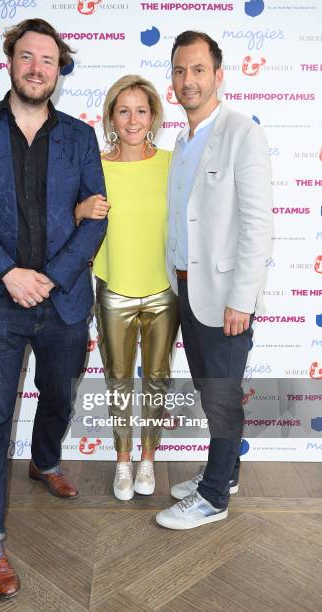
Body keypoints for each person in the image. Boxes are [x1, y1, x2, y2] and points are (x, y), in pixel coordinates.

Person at [0, 18, 107, 598]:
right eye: (27, 57)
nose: (37, 68)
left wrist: (54, 277)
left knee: (60, 394)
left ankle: (44, 460)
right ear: (11, 62)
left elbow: (96, 215)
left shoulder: (81, 137)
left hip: (63, 300)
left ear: (59, 68)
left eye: (48, 59)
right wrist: (10, 274)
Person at [155, 31, 273, 530]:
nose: (188, 80)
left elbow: (257, 224)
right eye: (180, 71)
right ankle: (225, 474)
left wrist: (241, 299)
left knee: (222, 396)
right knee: (212, 391)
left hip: (226, 296)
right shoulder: (181, 141)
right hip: (186, 289)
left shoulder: (242, 133)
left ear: (219, 76)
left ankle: (212, 499)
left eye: (198, 70)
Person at [75, 75, 179, 501]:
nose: (133, 120)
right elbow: (65, 216)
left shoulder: (174, 162)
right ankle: (122, 461)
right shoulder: (94, 166)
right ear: (111, 119)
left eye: (141, 110)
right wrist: (80, 209)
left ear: (153, 115)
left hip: (164, 290)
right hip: (114, 288)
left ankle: (147, 461)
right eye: (124, 111)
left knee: (157, 380)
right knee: (118, 379)